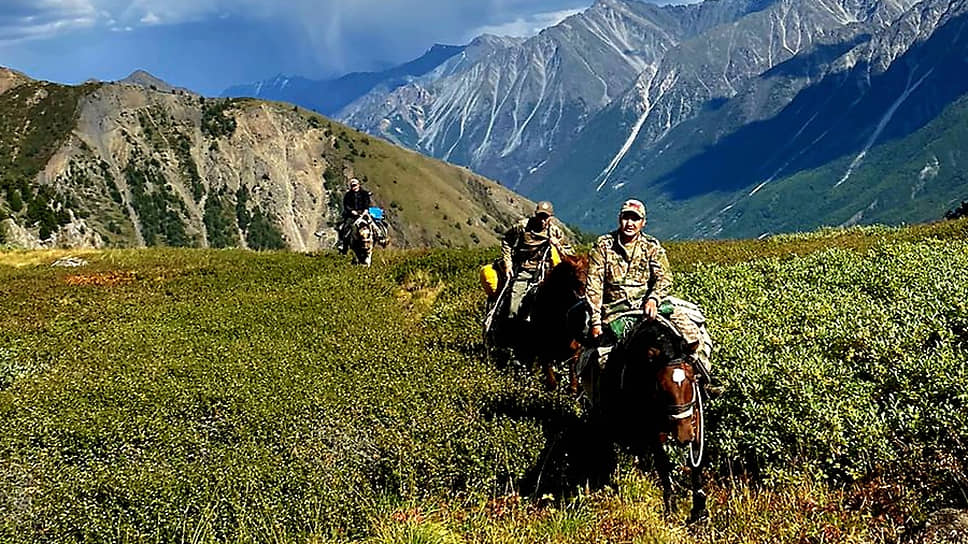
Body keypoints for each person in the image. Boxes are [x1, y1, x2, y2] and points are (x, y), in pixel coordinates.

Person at [585, 199, 717, 392]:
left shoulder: (651, 246)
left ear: (643, 222)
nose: (630, 223)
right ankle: (605, 404)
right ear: (619, 219)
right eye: (626, 218)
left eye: (635, 219)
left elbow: (664, 277)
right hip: (616, 311)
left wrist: (654, 298)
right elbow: (594, 285)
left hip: (648, 306)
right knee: (605, 359)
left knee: (692, 336)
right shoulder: (604, 246)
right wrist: (596, 321)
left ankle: (703, 381)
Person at [500, 201, 573, 324]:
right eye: (540, 216)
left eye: (546, 217)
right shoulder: (522, 227)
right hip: (525, 270)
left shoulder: (555, 232)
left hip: (548, 273)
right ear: (535, 215)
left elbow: (570, 255)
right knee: (514, 306)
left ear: (551, 217)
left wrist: (557, 245)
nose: (542, 221)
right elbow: (506, 241)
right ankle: (513, 331)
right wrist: (508, 263)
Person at [338, 178, 371, 253]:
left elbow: (367, 202)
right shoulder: (348, 195)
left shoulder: (364, 194)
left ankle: (380, 237)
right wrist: (351, 211)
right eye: (352, 185)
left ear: (358, 185)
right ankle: (343, 243)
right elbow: (346, 205)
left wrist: (365, 210)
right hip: (352, 215)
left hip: (364, 213)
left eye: (355, 185)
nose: (354, 187)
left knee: (372, 224)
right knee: (343, 227)